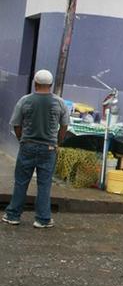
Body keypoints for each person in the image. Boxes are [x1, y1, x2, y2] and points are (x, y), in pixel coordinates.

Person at [2, 70, 69, 228]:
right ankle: (42, 219)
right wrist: (57, 142)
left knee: (21, 182)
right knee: (44, 184)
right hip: (49, 148)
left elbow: (16, 124)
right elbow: (64, 126)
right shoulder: (59, 102)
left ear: (35, 84)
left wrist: (22, 140)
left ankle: (13, 215)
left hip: (28, 146)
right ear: (50, 85)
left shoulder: (25, 101)